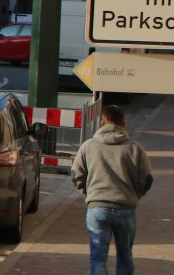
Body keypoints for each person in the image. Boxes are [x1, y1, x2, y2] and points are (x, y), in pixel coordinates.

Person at [72, 105, 153, 275]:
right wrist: (134, 195)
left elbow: (76, 175)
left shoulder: (88, 146)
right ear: (124, 123)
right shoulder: (135, 148)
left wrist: (89, 196)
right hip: (126, 208)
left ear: (102, 123)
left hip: (97, 208)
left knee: (98, 258)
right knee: (125, 256)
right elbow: (146, 179)